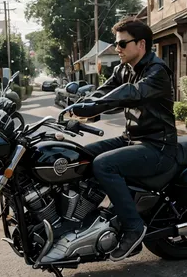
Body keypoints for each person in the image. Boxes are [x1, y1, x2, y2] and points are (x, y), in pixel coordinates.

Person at [72, 17, 177, 261]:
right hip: (131, 139)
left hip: (157, 146)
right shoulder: (123, 69)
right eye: (116, 44)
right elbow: (104, 92)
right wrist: (79, 108)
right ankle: (92, 218)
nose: (117, 48)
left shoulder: (157, 71)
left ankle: (133, 227)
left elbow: (131, 93)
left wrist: (94, 107)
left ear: (141, 44)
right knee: (80, 157)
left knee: (104, 164)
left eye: (121, 44)